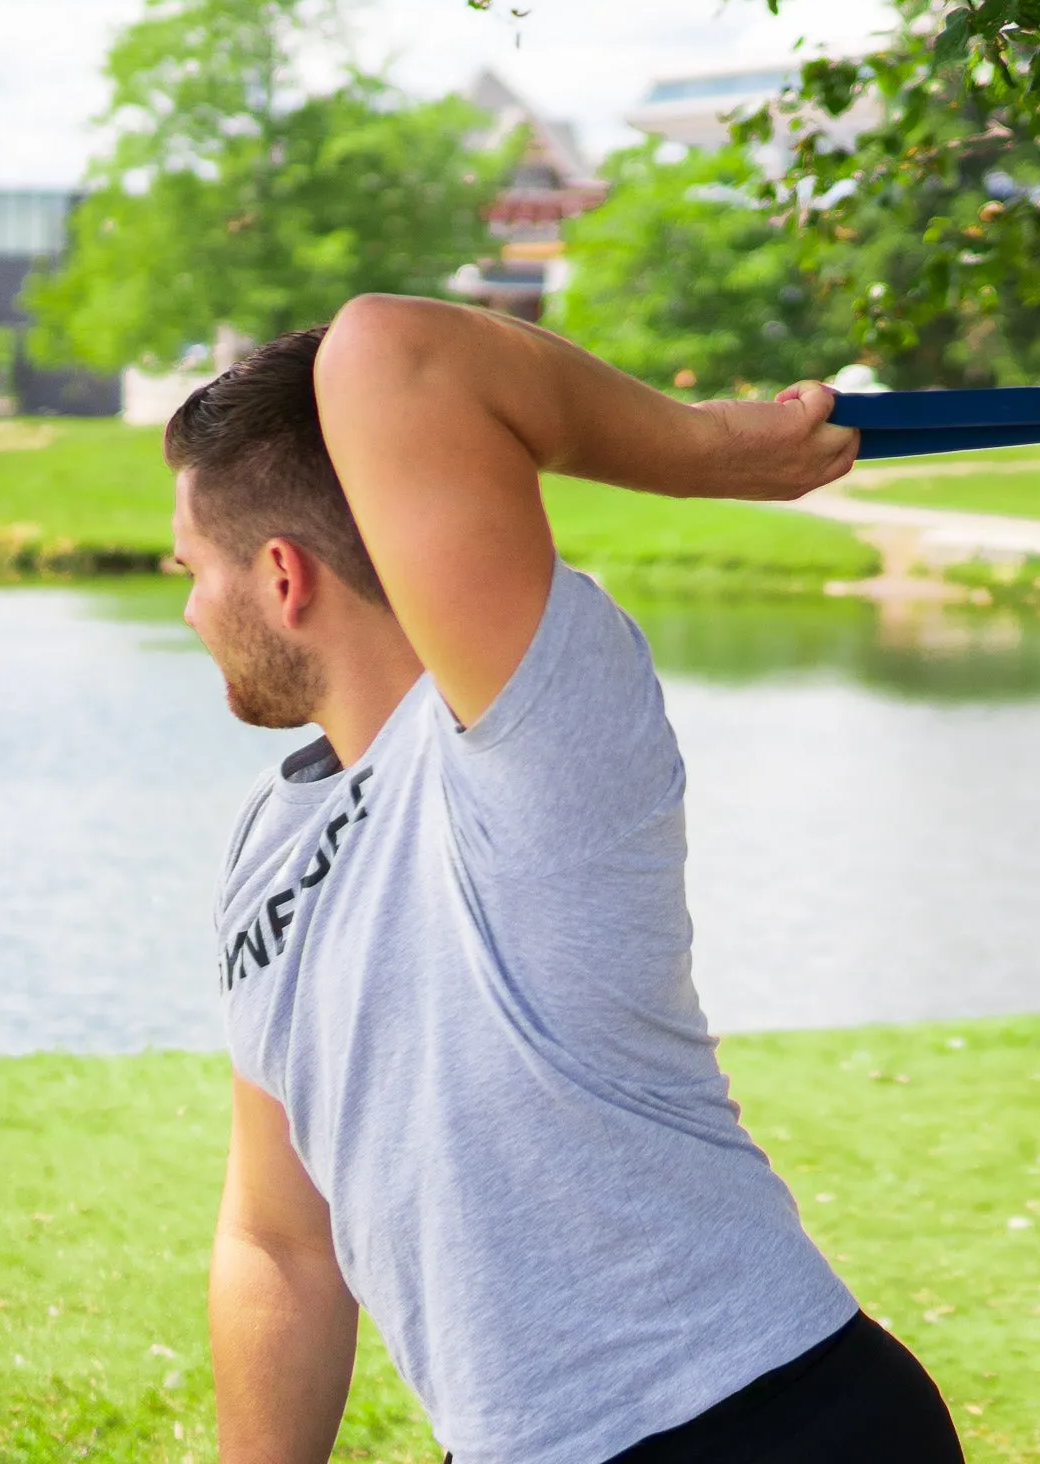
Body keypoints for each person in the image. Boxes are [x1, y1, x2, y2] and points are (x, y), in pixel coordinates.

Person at [165, 297, 966, 1464]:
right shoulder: (271, 841)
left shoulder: (530, 734)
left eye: (193, 570)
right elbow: (279, 1238)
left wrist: (716, 451)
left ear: (282, 577)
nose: (188, 607)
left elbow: (396, 353)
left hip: (762, 1420)